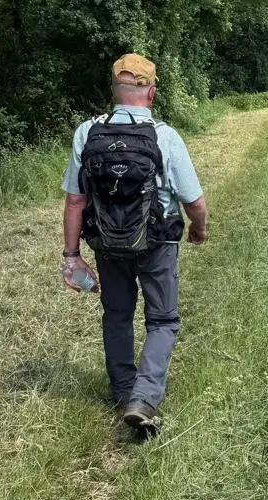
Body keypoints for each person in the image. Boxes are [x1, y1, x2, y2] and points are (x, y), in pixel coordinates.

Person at [61, 53, 208, 440]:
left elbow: (76, 201)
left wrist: (72, 255)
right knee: (162, 320)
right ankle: (143, 398)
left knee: (117, 315)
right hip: (157, 242)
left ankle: (123, 391)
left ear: (113, 90)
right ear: (152, 91)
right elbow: (193, 200)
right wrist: (199, 229)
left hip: (107, 243)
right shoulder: (165, 136)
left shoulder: (86, 133)